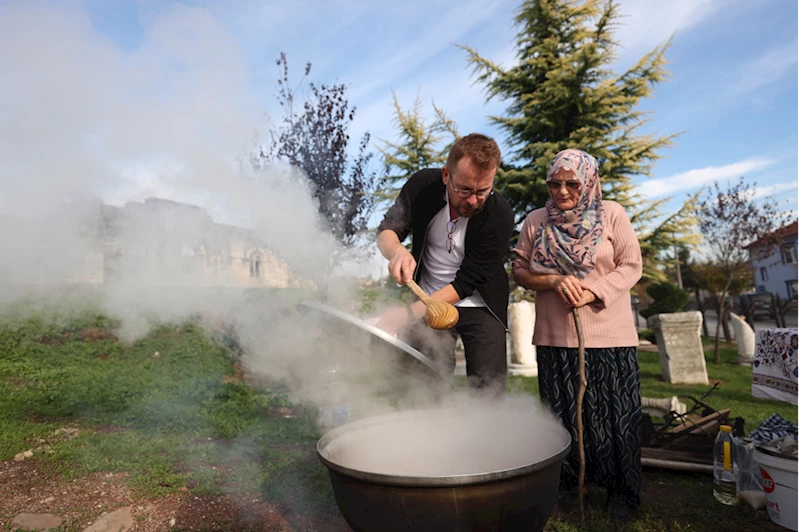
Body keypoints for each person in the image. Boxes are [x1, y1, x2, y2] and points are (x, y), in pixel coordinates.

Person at [512, 148, 643, 520]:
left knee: (615, 417)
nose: (563, 191)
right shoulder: (537, 221)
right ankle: (570, 485)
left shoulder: (612, 214)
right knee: (562, 416)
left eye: (572, 183)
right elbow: (519, 271)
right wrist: (554, 280)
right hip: (554, 336)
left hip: (610, 335)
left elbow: (632, 265)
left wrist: (594, 290)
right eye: (555, 183)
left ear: (589, 182)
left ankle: (622, 490)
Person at [374, 133, 514, 396]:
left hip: (480, 304)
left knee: (488, 390)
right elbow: (387, 231)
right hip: (426, 299)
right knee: (424, 383)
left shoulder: (499, 215)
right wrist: (397, 252)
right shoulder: (423, 186)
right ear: (446, 175)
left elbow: (466, 283)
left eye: (482, 191)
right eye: (464, 190)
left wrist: (407, 312)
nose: (472, 200)